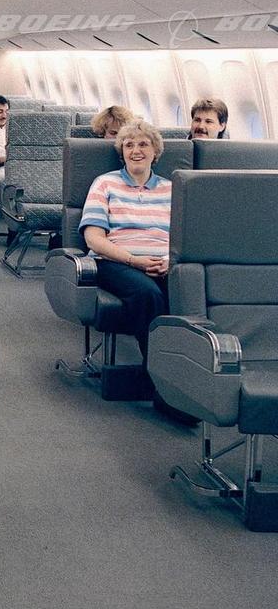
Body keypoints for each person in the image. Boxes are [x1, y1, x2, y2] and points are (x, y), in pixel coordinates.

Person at [78, 120, 192, 423]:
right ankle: (165, 388)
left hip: (164, 262)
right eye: (129, 145)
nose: (136, 150)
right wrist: (134, 260)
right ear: (122, 152)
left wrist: (170, 260)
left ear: (156, 151)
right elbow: (94, 239)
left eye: (143, 144)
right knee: (148, 294)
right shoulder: (105, 184)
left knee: (187, 295)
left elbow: (184, 238)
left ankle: (189, 382)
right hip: (115, 260)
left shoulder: (172, 189)